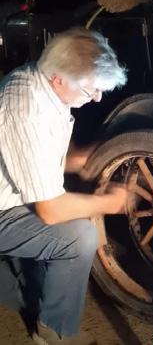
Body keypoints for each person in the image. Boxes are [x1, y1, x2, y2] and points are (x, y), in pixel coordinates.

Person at [0, 27, 129, 345]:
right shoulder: (25, 109)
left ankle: (24, 287)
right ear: (60, 78)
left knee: (38, 274)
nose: (97, 97)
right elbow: (50, 210)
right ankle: (52, 332)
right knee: (77, 237)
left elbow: (44, 153)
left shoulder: (43, 81)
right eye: (91, 89)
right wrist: (111, 202)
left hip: (12, 195)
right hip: (3, 210)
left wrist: (80, 160)